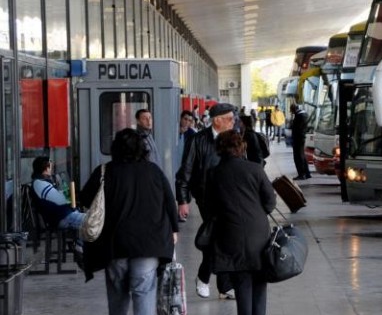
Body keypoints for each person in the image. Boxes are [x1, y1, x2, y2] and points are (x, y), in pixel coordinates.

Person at [79, 128, 179, 315]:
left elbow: (84, 199)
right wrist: (174, 230)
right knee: (144, 292)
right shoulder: (153, 171)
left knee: (118, 295)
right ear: (142, 148)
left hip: (115, 244)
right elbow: (169, 202)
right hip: (148, 244)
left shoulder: (105, 172)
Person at [206, 131, 276, 315]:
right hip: (258, 235)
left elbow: (209, 207)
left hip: (230, 234)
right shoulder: (255, 169)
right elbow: (270, 202)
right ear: (240, 147)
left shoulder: (214, 174)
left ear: (219, 149)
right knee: (260, 282)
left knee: (241, 283)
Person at [175, 102, 236, 299]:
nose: (233, 122)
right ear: (217, 121)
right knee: (219, 236)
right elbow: (185, 172)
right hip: (206, 197)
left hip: (230, 196)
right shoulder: (198, 140)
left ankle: (221, 285)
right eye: (230, 119)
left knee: (223, 238)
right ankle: (206, 278)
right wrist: (183, 200)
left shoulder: (234, 139)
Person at [30, 156, 85, 231]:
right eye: (50, 167)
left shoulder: (42, 182)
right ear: (46, 168)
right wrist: (64, 187)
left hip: (65, 215)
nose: (51, 170)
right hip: (62, 217)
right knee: (93, 221)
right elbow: (62, 200)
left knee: (94, 220)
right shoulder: (39, 183)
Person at [290, 104, 312, 180]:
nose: (291, 112)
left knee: (298, 157)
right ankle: (307, 173)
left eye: (291, 110)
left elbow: (295, 128)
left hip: (297, 138)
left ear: (294, 109)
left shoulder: (299, 116)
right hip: (302, 137)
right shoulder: (304, 114)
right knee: (302, 155)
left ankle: (301, 174)